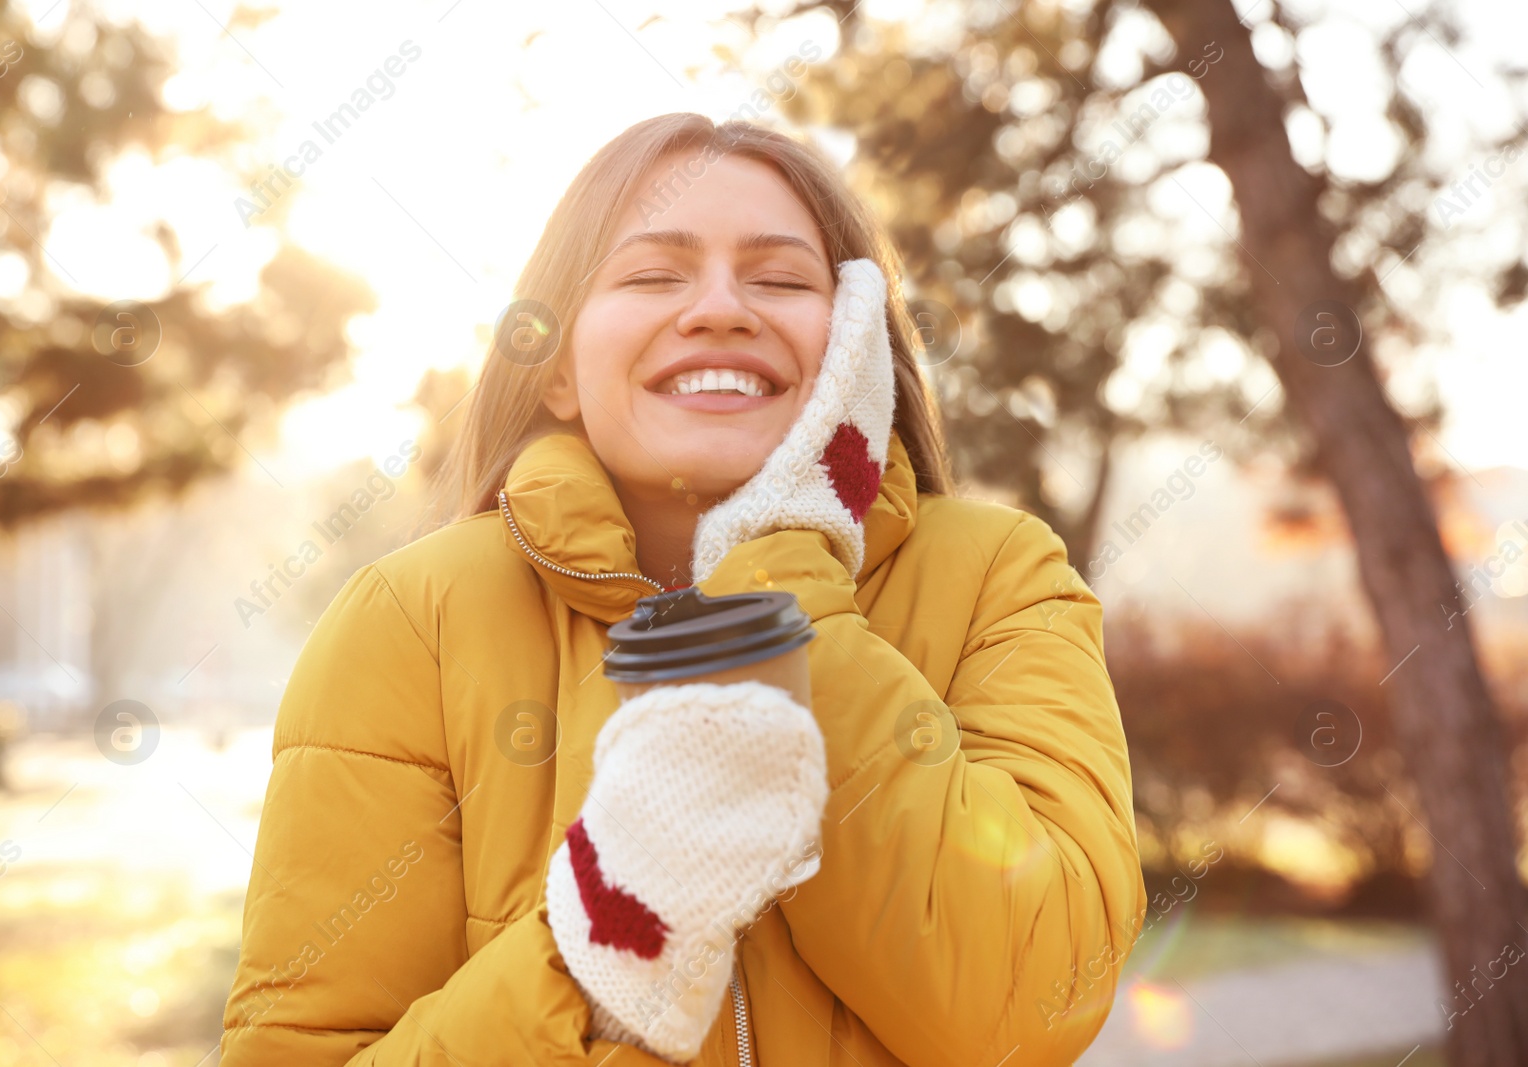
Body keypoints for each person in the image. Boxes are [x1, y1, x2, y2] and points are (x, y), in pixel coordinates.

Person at [219, 112, 1146, 1067]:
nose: (719, 309)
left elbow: (1028, 1009)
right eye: (653, 275)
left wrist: (780, 582)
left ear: (855, 344)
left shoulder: (1000, 575)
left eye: (782, 279)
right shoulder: (414, 619)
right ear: (557, 371)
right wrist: (613, 942)